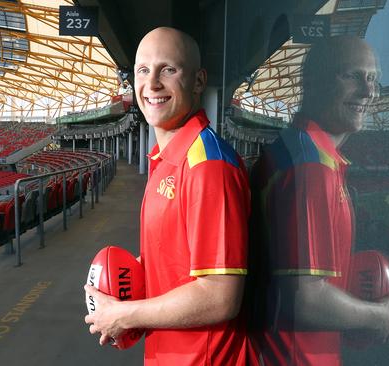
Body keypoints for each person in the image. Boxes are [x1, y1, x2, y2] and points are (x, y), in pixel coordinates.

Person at [84, 27, 256, 365]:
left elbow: (220, 296)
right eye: (143, 70)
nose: (153, 84)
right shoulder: (167, 159)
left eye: (169, 69)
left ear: (198, 80)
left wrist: (124, 315)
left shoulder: (208, 166)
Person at [249, 35, 389, 365]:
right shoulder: (310, 167)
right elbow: (305, 300)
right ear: (313, 82)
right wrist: (379, 316)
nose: (369, 91)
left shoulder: (299, 150)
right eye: (351, 75)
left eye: (373, 78)